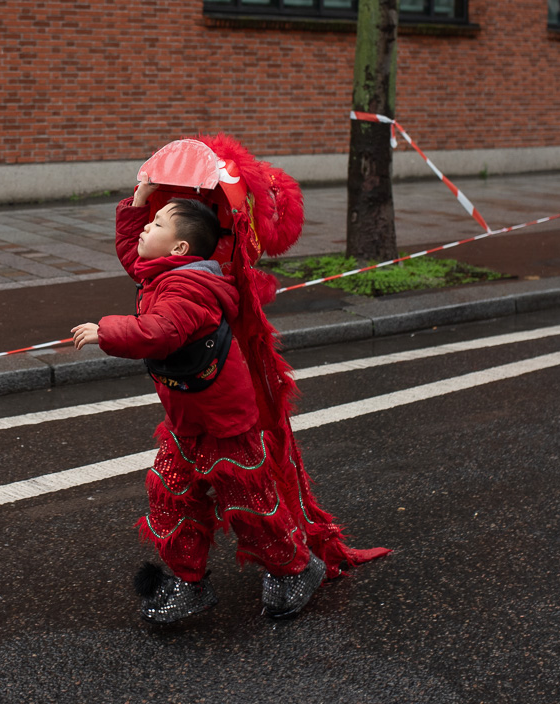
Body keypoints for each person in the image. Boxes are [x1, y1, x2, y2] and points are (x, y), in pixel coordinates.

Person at [73, 167, 388, 623]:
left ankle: (295, 569)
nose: (145, 230)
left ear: (180, 249)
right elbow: (132, 253)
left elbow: (157, 332)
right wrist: (139, 204)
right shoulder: (163, 272)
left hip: (225, 422)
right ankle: (189, 581)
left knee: (247, 503)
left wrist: (107, 330)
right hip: (187, 420)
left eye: (156, 225)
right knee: (172, 496)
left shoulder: (189, 290)